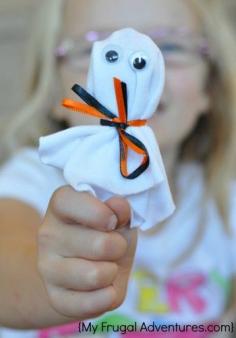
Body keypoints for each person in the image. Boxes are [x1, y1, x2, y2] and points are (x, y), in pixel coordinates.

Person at [0, 0, 236, 337]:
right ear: (54, 87)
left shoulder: (226, 203)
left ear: (210, 87)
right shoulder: (31, 180)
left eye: (169, 45)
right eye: (100, 49)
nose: (127, 73)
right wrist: (52, 276)